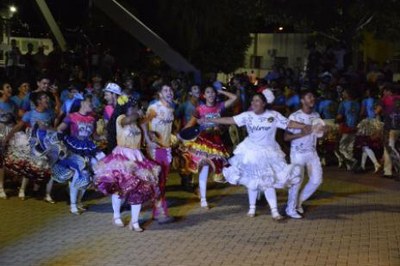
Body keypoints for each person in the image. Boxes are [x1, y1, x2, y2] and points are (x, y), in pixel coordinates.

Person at [200, 93, 307, 220]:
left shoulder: (273, 115)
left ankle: (274, 211)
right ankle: (252, 208)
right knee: (253, 181)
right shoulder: (247, 116)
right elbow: (230, 120)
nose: (254, 103)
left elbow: (289, 123)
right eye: (252, 101)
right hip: (251, 152)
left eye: (257, 101)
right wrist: (211, 119)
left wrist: (304, 126)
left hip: (269, 152)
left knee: (268, 181)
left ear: (263, 103)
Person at [94, 95, 160, 231]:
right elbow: (129, 119)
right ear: (127, 108)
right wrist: (139, 114)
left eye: (137, 107)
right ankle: (116, 216)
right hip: (122, 158)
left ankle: (134, 222)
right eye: (134, 107)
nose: (136, 109)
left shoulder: (137, 122)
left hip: (137, 158)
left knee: (140, 189)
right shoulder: (121, 119)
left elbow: (144, 126)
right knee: (119, 187)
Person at [183, 86, 237, 209]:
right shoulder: (200, 108)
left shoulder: (220, 106)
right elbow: (190, 124)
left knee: (216, 169)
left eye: (212, 92)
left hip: (217, 141)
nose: (211, 94)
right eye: (208, 92)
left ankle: (200, 192)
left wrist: (221, 91)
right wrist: (183, 136)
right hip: (203, 141)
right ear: (204, 95)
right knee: (205, 169)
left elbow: (234, 98)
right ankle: (203, 199)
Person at [5, 91, 56, 202]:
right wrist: (8, 137)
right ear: (38, 101)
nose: (47, 100)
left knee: (48, 168)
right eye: (44, 98)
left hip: (47, 144)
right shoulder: (30, 114)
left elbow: (53, 128)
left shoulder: (50, 113)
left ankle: (44, 193)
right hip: (34, 143)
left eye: (47, 98)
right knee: (30, 167)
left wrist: (48, 129)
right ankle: (22, 189)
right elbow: (19, 126)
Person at [57, 94, 100, 214]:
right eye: (90, 102)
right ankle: (73, 204)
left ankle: (79, 201)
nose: (92, 104)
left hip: (87, 147)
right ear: (82, 103)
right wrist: (61, 143)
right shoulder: (71, 117)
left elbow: (94, 135)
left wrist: (104, 136)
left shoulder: (92, 118)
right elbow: (60, 129)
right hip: (74, 147)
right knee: (79, 173)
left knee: (91, 174)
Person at [284, 90, 325, 215]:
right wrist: (301, 134)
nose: (312, 99)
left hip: (312, 153)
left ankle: (298, 202)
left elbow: (319, 135)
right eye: (309, 97)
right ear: (302, 100)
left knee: (317, 180)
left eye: (313, 96)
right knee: (297, 181)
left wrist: (323, 131)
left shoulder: (316, 116)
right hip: (297, 153)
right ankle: (290, 209)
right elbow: (286, 137)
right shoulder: (294, 116)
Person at [140, 83, 175, 224]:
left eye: (170, 90)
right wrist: (148, 141)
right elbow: (143, 123)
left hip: (166, 149)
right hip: (155, 150)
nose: (169, 92)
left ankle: (156, 211)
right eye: (166, 90)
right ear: (160, 94)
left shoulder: (171, 108)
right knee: (158, 181)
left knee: (163, 182)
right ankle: (161, 212)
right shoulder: (154, 108)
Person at [0, 82, 18, 199]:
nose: (10, 89)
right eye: (7, 87)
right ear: (1, 91)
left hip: (10, 133)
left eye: (10, 86)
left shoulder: (13, 104)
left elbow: (16, 120)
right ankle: (1, 187)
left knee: (9, 160)